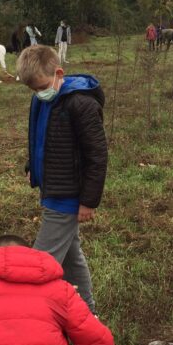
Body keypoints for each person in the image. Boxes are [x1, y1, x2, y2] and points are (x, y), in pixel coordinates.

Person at [16, 46, 108, 314]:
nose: (39, 93)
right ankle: (87, 312)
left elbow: (97, 156)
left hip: (68, 195)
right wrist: (32, 165)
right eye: (33, 90)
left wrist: (89, 201)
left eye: (42, 86)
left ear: (58, 73)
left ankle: (28, 317)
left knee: (40, 263)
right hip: (52, 187)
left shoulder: (82, 104)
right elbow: (40, 137)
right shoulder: (42, 100)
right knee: (71, 257)